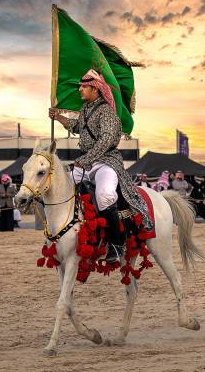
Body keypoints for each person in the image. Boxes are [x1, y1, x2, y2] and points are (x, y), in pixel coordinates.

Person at [49, 68, 154, 263]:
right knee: (62, 190)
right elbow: (77, 126)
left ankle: (116, 244)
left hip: (106, 162)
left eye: (83, 86)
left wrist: (87, 159)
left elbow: (106, 141)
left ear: (95, 89)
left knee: (104, 195)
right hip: (86, 162)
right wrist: (58, 117)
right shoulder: (86, 110)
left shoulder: (106, 112)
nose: (80, 89)